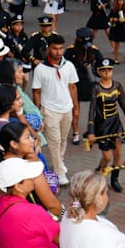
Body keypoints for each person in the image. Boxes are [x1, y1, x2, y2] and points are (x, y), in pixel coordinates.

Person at [31, 34, 79, 186]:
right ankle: (59, 172)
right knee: (54, 142)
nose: (58, 52)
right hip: (49, 110)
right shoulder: (40, 69)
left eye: (60, 49)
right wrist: (38, 113)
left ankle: (60, 160)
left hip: (67, 108)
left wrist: (76, 107)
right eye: (54, 49)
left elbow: (72, 86)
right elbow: (36, 91)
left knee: (63, 139)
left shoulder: (69, 66)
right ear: (48, 49)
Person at [87, 58, 125, 193]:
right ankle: (99, 170)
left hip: (115, 124)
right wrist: (91, 131)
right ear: (99, 72)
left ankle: (114, 179)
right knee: (107, 156)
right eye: (103, 70)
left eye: (109, 70)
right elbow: (92, 110)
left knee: (118, 154)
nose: (107, 73)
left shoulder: (117, 86)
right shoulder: (96, 87)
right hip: (102, 126)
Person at [108, 0, 125, 64]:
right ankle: (116, 58)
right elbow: (109, 19)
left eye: (122, 1)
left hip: (124, 27)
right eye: (119, 1)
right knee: (116, 44)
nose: (120, 2)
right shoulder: (113, 10)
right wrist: (113, 19)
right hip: (116, 28)